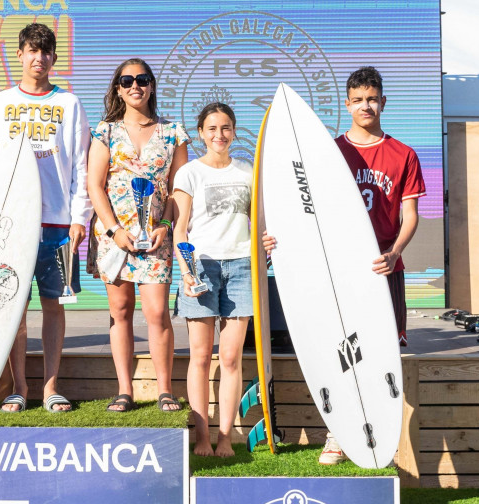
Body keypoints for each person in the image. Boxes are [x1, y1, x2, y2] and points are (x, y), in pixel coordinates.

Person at [264, 66, 425, 464]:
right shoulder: (327, 152)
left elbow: (411, 215)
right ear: (348, 104)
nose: (365, 106)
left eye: (372, 99)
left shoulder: (403, 154)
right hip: (335, 271)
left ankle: (385, 436)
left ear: (383, 102)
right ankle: (337, 435)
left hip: (380, 269)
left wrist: (396, 252)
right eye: (358, 100)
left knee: (381, 350)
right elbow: (300, 207)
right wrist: (277, 238)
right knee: (338, 348)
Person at [0, 23, 91, 413]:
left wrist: (79, 217)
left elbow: (82, 166)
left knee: (54, 305)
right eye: (32, 51)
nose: (39, 58)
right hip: (8, 221)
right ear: (19, 55)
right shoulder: (0, 102)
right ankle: (18, 388)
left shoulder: (68, 104)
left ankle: (51, 387)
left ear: (54, 57)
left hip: (56, 221)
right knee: (13, 307)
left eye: (46, 51)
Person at [87, 58, 189, 412]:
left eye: (142, 79)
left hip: (156, 239)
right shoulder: (105, 131)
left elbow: (179, 188)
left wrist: (167, 226)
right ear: (118, 88)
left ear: (151, 86)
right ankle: (124, 390)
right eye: (127, 80)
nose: (135, 85)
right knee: (120, 310)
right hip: (116, 239)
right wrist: (114, 231)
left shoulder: (173, 132)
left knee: (158, 312)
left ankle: (165, 391)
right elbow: (94, 186)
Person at [171, 103, 253, 457]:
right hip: (201, 267)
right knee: (201, 357)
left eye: (225, 128)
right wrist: (187, 272)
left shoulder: (249, 171)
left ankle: (224, 437)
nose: (219, 135)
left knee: (231, 358)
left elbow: (261, 222)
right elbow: (179, 229)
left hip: (242, 268)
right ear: (201, 133)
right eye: (212, 128)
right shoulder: (189, 173)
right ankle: (201, 438)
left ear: (234, 131)